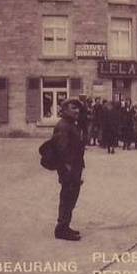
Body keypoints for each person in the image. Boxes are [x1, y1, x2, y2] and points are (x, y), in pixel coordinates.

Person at [52, 98, 86, 241]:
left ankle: (65, 225)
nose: (77, 110)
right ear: (65, 110)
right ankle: (61, 228)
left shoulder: (72, 124)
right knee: (67, 196)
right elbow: (61, 149)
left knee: (71, 196)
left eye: (78, 108)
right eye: (73, 108)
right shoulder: (63, 126)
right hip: (68, 168)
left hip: (74, 166)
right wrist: (69, 170)